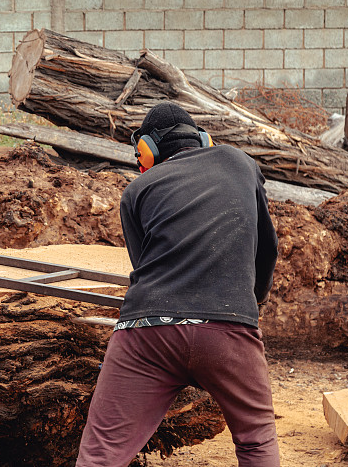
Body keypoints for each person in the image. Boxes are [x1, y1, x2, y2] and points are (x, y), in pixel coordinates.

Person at [76, 102, 280, 466]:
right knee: (256, 439)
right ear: (203, 140)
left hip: (146, 332)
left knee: (102, 452)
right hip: (229, 329)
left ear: (147, 152)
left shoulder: (138, 189)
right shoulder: (240, 163)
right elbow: (267, 247)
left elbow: (145, 267)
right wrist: (250, 303)